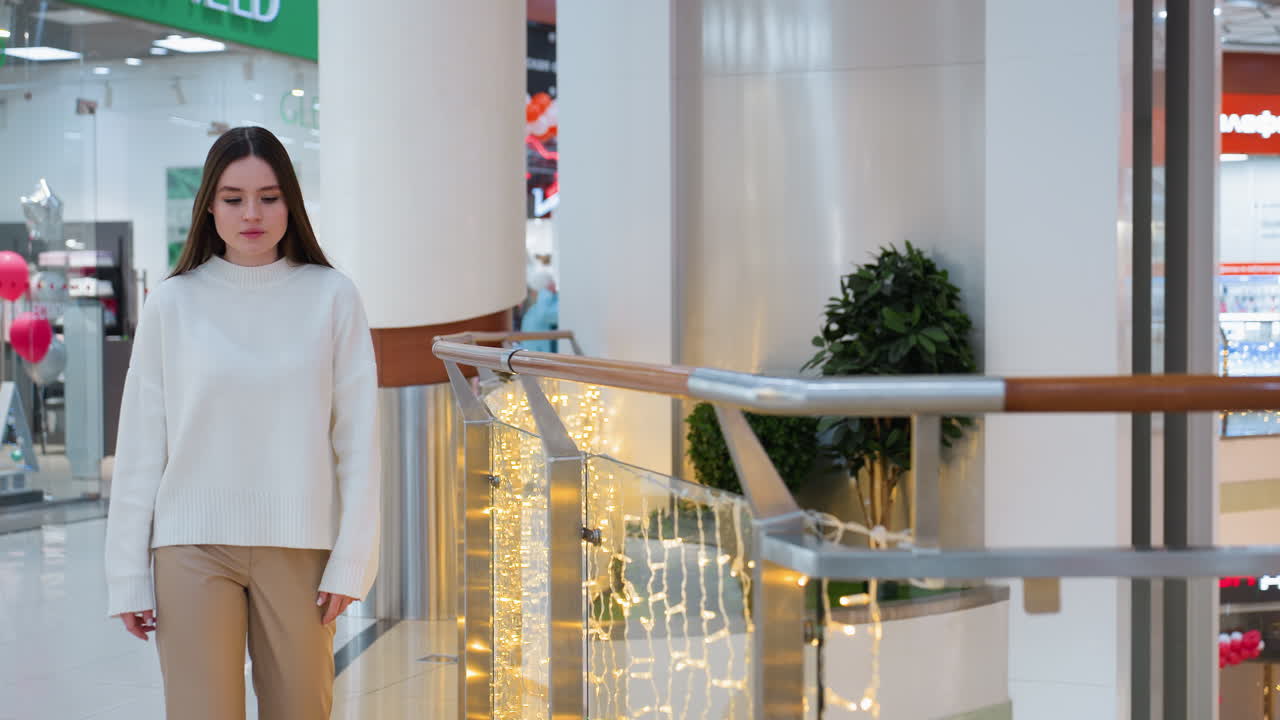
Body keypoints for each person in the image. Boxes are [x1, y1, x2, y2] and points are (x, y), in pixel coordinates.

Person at [103, 126, 380, 720]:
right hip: (190, 546)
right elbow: (141, 446)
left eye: (269, 196)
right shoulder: (172, 303)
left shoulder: (333, 297)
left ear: (292, 203)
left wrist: (354, 558)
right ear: (209, 204)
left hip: (303, 549)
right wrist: (125, 573)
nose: (251, 213)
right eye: (233, 198)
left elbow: (357, 444)